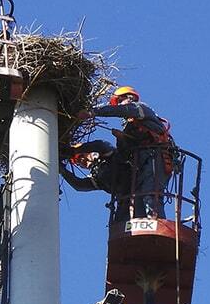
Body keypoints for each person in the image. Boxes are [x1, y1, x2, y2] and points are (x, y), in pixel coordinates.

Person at [78, 86, 173, 219]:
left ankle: (156, 222)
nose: (118, 105)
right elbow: (124, 154)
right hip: (142, 163)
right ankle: (142, 226)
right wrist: (121, 139)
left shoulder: (141, 109)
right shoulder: (129, 127)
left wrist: (92, 112)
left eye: (119, 102)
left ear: (129, 98)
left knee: (150, 193)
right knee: (137, 199)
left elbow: (120, 110)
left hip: (156, 157)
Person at [60, 139, 132, 222]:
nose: (81, 161)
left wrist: (73, 151)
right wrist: (62, 170)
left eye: (81, 156)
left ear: (89, 151)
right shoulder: (96, 178)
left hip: (139, 186)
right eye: (77, 162)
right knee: (122, 225)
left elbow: (101, 145)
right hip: (125, 201)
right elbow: (79, 185)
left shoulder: (108, 156)